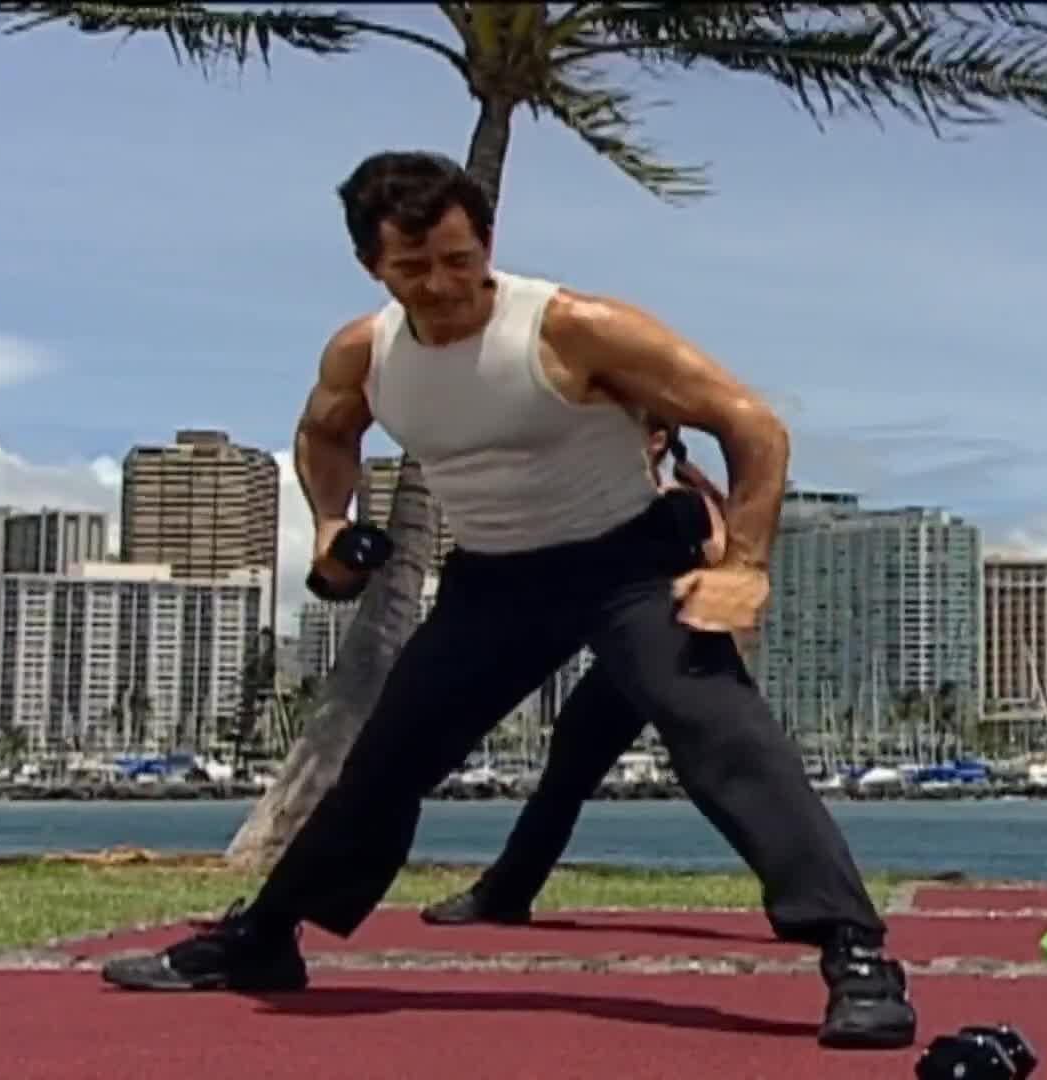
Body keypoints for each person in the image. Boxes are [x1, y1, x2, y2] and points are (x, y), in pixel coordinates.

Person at [99, 150, 917, 1050]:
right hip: (493, 578)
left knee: (723, 738)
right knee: (385, 762)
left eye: (459, 259)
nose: (443, 285)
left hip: (628, 566)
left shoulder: (572, 328)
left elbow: (750, 424)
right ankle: (263, 940)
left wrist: (746, 564)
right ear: (373, 267)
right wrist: (333, 522)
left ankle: (855, 951)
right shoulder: (366, 353)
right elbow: (323, 432)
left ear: (486, 242)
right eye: (414, 269)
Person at [419, 416, 729, 928]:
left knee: (733, 775)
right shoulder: (608, 507)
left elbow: (722, 557)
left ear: (653, 442)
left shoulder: (682, 502)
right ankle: (505, 893)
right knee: (566, 773)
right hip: (627, 663)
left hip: (683, 657)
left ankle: (814, 896)